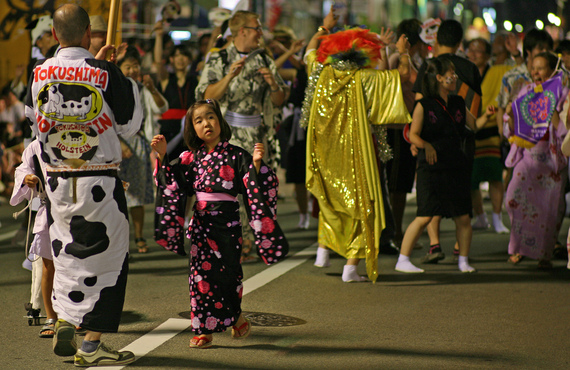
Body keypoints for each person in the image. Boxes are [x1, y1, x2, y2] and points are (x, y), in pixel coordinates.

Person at [24, 4, 143, 366]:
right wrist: (115, 73)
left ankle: (64, 317)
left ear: (56, 35)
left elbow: (35, 121)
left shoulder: (39, 73)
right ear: (89, 33)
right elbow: (130, 123)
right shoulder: (104, 73)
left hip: (58, 182)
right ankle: (90, 341)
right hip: (100, 180)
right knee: (111, 257)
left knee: (67, 251)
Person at [151, 99, 288, 349]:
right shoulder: (189, 158)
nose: (206, 124)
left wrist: (257, 164)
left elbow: (255, 184)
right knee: (200, 278)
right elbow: (171, 182)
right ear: (193, 128)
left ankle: (235, 317)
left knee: (228, 275)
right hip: (202, 224)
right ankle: (203, 329)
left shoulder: (237, 155)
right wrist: (162, 155)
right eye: (199, 120)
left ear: (220, 121)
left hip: (228, 224)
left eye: (210, 117)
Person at [305, 8, 411, 283]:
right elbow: (396, 80)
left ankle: (323, 250)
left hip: (325, 155)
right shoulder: (363, 78)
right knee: (363, 207)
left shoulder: (321, 71)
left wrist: (323, 29)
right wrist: (400, 51)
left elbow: (309, 52)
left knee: (330, 202)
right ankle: (350, 267)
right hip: (356, 155)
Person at [196, 10, 287, 261]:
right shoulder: (220, 58)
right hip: (228, 134)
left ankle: (257, 239)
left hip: (257, 133)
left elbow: (280, 99)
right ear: (243, 31)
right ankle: (235, 240)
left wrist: (273, 85)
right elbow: (204, 95)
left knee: (257, 189)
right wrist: (229, 76)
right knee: (229, 191)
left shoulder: (264, 59)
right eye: (257, 28)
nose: (261, 33)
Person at [395, 58, 495, 274]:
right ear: (439, 78)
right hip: (430, 168)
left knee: (463, 217)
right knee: (424, 216)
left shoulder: (458, 101)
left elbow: (473, 125)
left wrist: (487, 115)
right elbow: (413, 134)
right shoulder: (423, 105)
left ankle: (464, 261)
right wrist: (426, 145)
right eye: (451, 72)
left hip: (455, 165)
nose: (455, 76)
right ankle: (402, 259)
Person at [413, 19, 483, 263]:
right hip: (461, 144)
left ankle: (434, 244)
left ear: (436, 39)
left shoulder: (428, 67)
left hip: (433, 144)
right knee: (460, 197)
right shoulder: (471, 68)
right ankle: (458, 245)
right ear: (459, 42)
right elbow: (474, 108)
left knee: (431, 197)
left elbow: (420, 102)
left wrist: (416, 138)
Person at [504, 52, 569, 269]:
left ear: (552, 71)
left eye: (541, 68)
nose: (536, 72)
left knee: (550, 210)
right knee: (513, 198)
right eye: (534, 68)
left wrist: (554, 115)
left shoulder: (562, 92)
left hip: (552, 160)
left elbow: (564, 131)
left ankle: (544, 254)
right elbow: (512, 120)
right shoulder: (526, 91)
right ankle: (518, 247)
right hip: (529, 156)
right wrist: (510, 117)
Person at [116, 46, 168, 253]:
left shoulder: (143, 89)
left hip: (138, 144)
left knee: (136, 195)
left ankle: (138, 237)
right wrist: (119, 143)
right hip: (117, 144)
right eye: (127, 66)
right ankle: (120, 241)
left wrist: (153, 88)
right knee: (117, 194)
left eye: (135, 66)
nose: (132, 70)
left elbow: (162, 108)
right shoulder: (114, 88)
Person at [387, 18, 429, 246]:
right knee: (396, 186)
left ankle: (396, 230)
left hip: (407, 127)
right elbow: (406, 80)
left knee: (402, 184)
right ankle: (394, 232)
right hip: (395, 129)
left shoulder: (412, 60)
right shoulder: (398, 59)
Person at [465, 38, 512, 233]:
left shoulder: (496, 72)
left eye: (479, 51)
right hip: (470, 130)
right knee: (472, 179)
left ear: (487, 55)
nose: (474, 54)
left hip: (490, 129)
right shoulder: (464, 72)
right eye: (471, 50)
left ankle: (496, 217)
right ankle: (481, 217)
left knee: (494, 176)